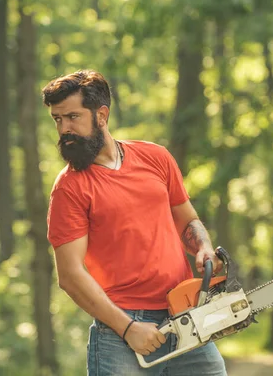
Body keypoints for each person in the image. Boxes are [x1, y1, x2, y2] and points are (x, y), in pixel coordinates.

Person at [43, 70, 227, 376]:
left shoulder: (156, 157)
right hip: (122, 329)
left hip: (185, 314)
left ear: (101, 115)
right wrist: (128, 328)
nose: (64, 129)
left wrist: (203, 247)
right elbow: (70, 275)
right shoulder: (69, 188)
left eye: (73, 117)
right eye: (57, 119)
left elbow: (187, 221)